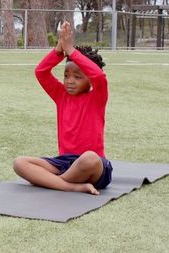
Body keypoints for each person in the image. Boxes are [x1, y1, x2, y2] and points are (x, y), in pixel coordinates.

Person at [13, 21, 112, 195]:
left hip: (93, 166)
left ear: (89, 79)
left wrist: (71, 50)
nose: (70, 81)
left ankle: (51, 182)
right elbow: (41, 72)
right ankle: (70, 186)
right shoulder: (61, 96)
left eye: (77, 76)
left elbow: (99, 76)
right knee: (19, 163)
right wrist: (59, 49)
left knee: (88, 158)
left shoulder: (97, 97)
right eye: (66, 76)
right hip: (64, 163)